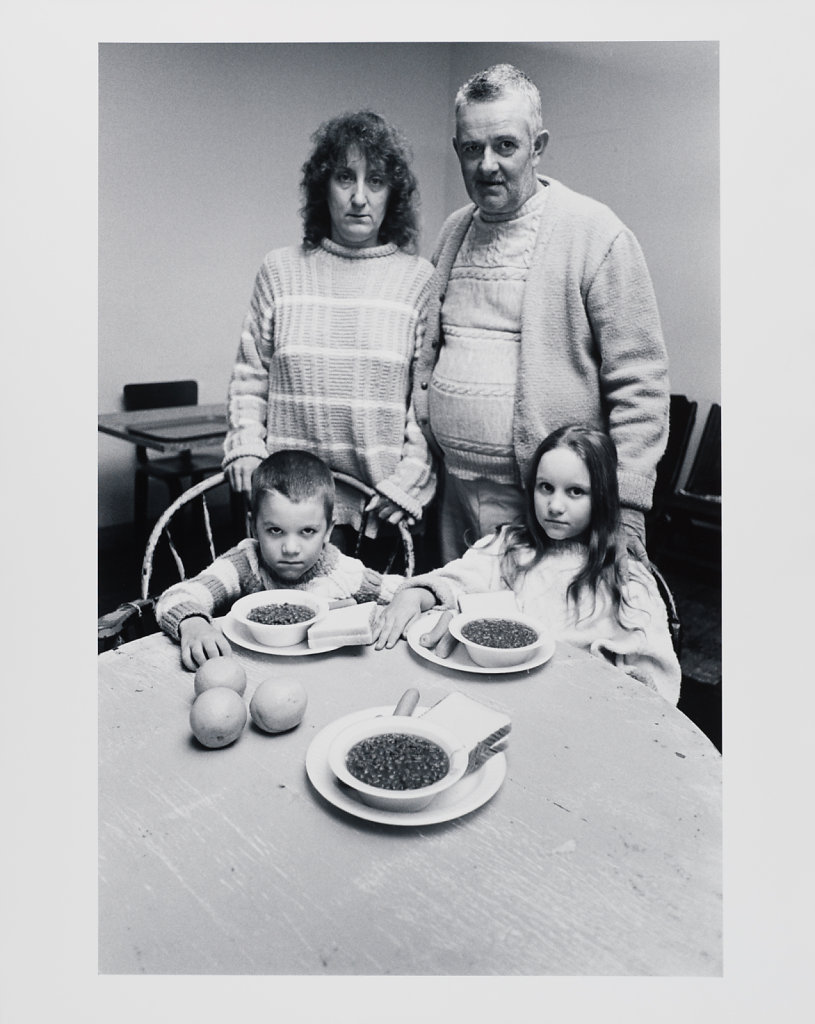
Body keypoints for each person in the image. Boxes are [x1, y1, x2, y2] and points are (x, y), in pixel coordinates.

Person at [413, 63, 670, 564]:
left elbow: (640, 382)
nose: (487, 164)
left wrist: (629, 505)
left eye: (505, 145)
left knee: (538, 633)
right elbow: (428, 351)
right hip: (454, 495)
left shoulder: (596, 234)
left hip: (546, 505)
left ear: (538, 146)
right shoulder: (451, 232)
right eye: (472, 148)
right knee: (456, 621)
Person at [223, 109, 437, 539]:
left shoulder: (419, 280)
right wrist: (245, 445)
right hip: (288, 516)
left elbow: (426, 407)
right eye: (345, 177)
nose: (359, 197)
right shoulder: (278, 271)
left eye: (375, 181)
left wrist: (409, 481)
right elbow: (250, 379)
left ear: (392, 193)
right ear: (324, 186)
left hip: (381, 513)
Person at [373, 425, 681, 705]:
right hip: (488, 697)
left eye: (575, 492)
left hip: (576, 710)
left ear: (602, 496)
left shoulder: (624, 575)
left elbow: (654, 679)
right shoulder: (509, 545)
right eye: (546, 487)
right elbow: (457, 581)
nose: (555, 506)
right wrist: (414, 595)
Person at [156, 449, 403, 670]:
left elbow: (406, 590)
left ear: (328, 530)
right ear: (254, 527)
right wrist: (194, 624)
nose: (291, 548)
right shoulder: (246, 563)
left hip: (327, 674)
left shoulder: (342, 572)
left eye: (307, 531)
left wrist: (416, 595)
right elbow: (178, 595)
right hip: (254, 673)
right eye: (275, 530)